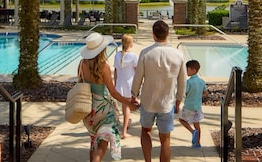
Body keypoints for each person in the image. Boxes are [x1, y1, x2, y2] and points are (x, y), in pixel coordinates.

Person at [131, 20, 186, 162]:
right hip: (167, 103)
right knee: (165, 139)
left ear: (153, 35)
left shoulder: (146, 53)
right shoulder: (178, 55)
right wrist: (179, 100)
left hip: (148, 101)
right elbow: (182, 81)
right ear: (168, 34)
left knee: (145, 131)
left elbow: (138, 77)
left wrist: (133, 95)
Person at [79, 32, 138, 162]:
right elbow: (113, 92)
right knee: (103, 142)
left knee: (93, 141)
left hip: (88, 109)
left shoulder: (82, 64)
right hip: (103, 109)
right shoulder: (103, 67)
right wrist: (129, 104)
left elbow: (80, 84)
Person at [113, 34, 138, 138]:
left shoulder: (117, 55)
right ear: (131, 44)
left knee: (125, 106)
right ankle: (123, 132)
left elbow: (115, 71)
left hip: (120, 84)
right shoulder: (133, 56)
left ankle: (126, 123)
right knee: (126, 107)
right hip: (129, 85)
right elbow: (137, 72)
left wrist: (115, 84)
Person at [178, 59, 208, 148]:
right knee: (197, 124)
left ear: (193, 70)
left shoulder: (189, 82)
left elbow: (185, 93)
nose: (186, 71)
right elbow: (205, 92)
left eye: (187, 69)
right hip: (198, 107)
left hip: (189, 106)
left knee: (182, 120)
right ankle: (198, 143)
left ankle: (192, 131)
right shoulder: (201, 81)